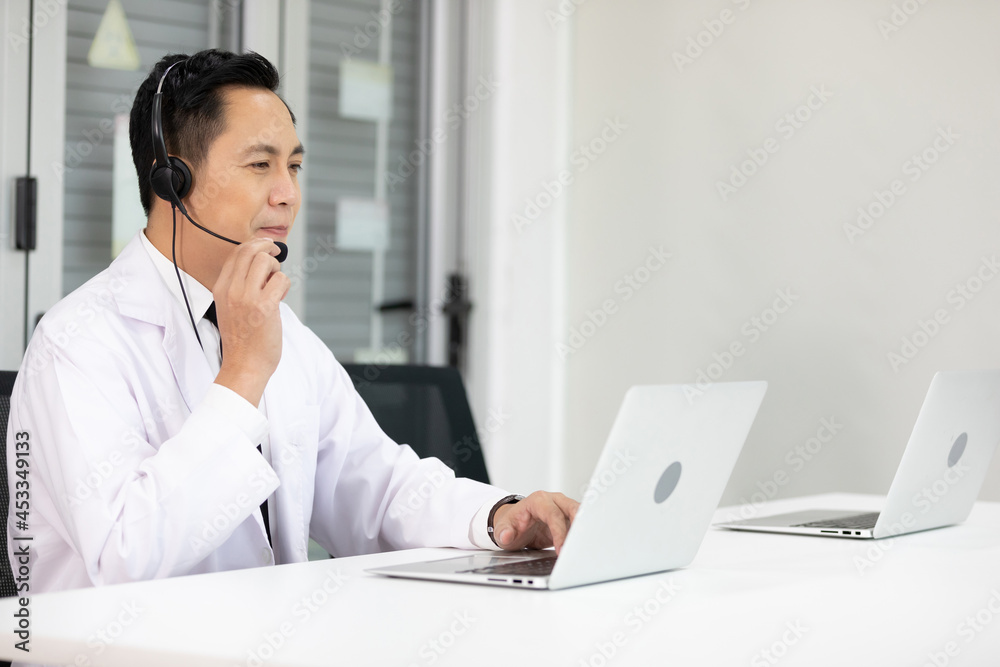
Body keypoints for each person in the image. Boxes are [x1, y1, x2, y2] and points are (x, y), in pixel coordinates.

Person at [6, 49, 578, 593]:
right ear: (170, 180)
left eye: (295, 166)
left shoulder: (285, 332)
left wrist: (498, 516)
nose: (289, 195)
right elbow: (123, 554)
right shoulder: (79, 341)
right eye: (260, 165)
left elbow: (375, 489)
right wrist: (245, 373)